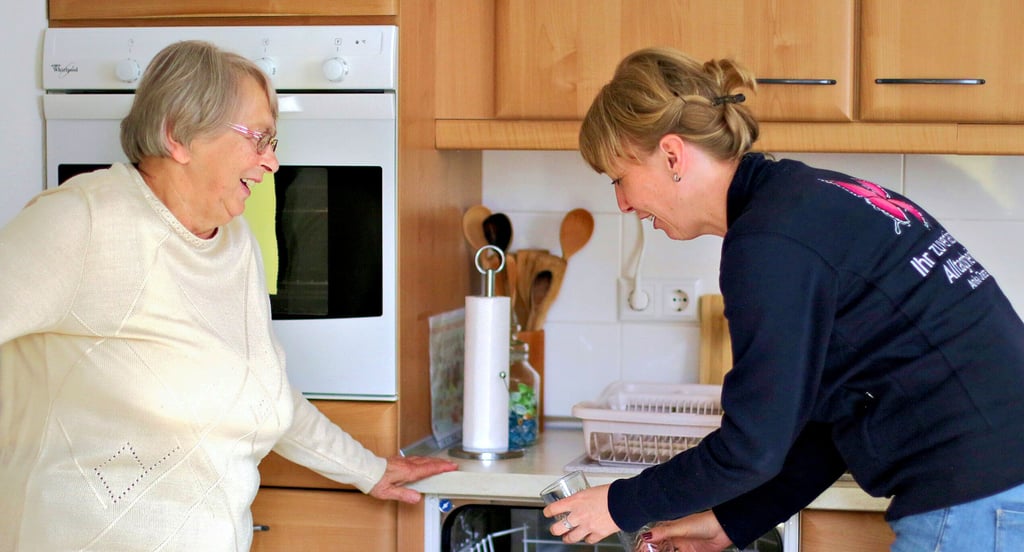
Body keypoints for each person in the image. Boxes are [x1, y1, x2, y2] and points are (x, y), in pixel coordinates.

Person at [542, 46, 1024, 551]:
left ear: (671, 155)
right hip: (998, 484)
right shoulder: (804, 201)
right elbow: (824, 419)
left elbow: (751, 447)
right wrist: (731, 523)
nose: (622, 203)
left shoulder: (770, 243)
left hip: (982, 498)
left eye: (619, 178)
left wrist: (618, 504)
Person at [0, 40, 456, 550]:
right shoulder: (83, 222)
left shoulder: (234, 243)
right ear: (178, 135)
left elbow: (261, 390)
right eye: (258, 138)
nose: (273, 161)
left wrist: (367, 469)